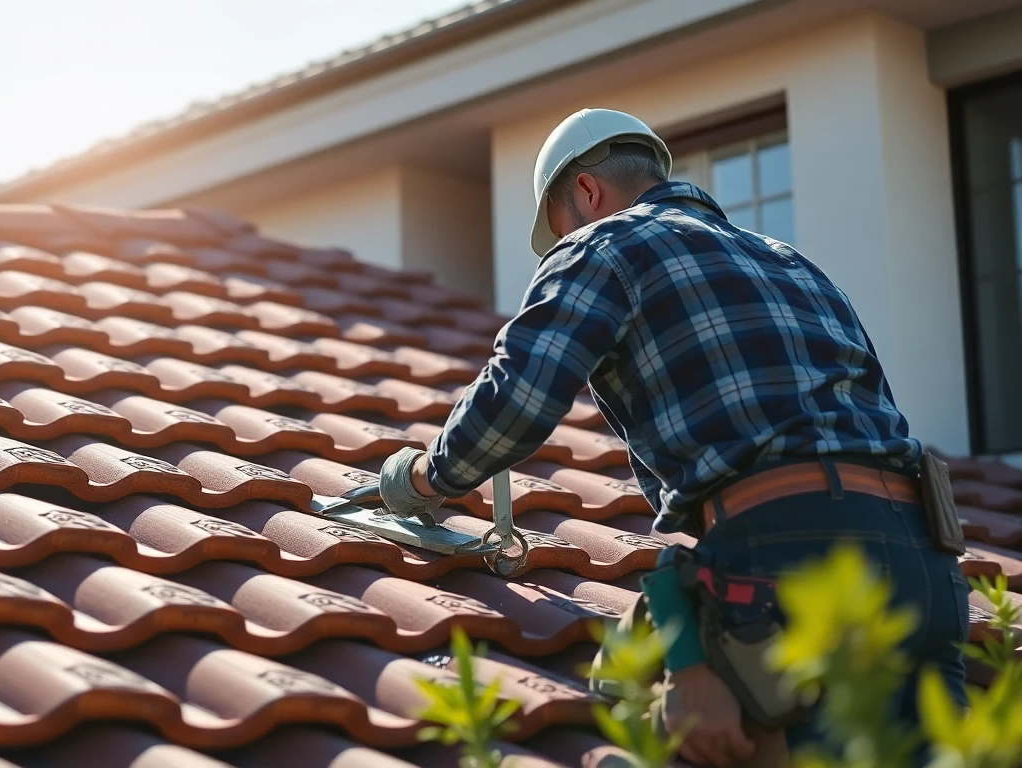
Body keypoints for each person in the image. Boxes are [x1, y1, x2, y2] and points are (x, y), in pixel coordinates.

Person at [371, 108, 968, 766]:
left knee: (642, 704)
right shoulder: (796, 264)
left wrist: (424, 479)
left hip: (785, 547)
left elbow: (518, 397)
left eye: (562, 224)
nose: (564, 239)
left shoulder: (604, 245)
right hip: (923, 556)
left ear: (587, 193)